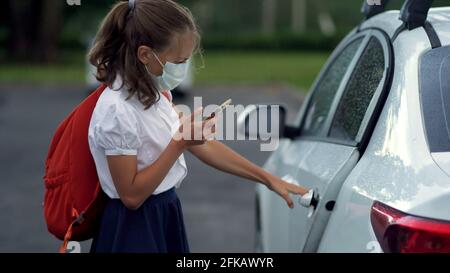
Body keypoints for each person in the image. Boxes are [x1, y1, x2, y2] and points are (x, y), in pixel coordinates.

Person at [87, 0, 308, 253]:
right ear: (145, 54)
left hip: (164, 212)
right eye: (178, 61)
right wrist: (180, 143)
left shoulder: (154, 93)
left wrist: (267, 179)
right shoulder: (118, 110)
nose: (182, 69)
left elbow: (204, 147)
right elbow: (132, 196)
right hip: (134, 228)